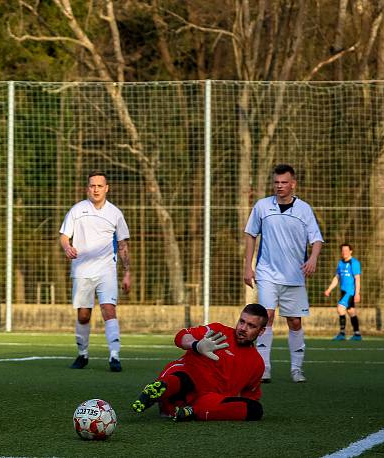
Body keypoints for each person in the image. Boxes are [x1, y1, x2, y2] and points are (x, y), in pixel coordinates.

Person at [244, 163, 323, 384]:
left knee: (295, 322)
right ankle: (264, 368)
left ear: (293, 184)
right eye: (276, 182)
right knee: (266, 317)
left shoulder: (304, 209)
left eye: (284, 182)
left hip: (294, 276)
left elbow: (316, 239)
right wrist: (247, 266)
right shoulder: (262, 206)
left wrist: (313, 258)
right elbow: (250, 235)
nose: (279, 186)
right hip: (267, 273)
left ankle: (296, 369)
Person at [131, 303, 269, 422]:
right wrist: (196, 345)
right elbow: (181, 336)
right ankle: (159, 391)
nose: (243, 328)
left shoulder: (257, 364)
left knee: (255, 409)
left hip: (207, 399)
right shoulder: (218, 332)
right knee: (182, 378)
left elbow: (250, 397)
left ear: (261, 331)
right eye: (242, 321)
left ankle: (191, 412)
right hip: (183, 382)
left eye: (251, 326)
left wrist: (235, 408)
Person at [59, 170, 130, 372]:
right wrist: (67, 247)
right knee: (83, 315)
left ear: (106, 188)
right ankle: (83, 355)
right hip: (81, 271)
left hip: (107, 271)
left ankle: (114, 356)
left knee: (109, 310)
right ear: (87, 188)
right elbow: (64, 236)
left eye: (100, 185)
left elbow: (123, 244)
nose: (96, 189)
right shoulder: (77, 210)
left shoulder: (115, 214)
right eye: (92, 185)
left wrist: (127, 272)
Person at [324, 243, 362, 341]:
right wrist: (329, 289)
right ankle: (357, 334)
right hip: (343, 291)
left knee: (340, 309)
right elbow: (337, 278)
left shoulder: (354, 263)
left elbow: (357, 279)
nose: (344, 252)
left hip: (350, 292)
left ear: (350, 251)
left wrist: (357, 293)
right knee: (351, 311)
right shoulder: (341, 263)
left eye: (346, 250)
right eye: (342, 250)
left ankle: (342, 334)